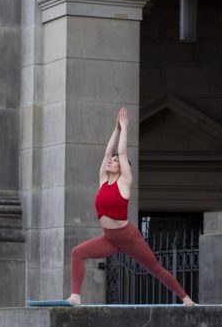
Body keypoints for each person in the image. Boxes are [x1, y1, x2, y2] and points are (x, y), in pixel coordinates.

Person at [67, 107, 195, 307]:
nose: (111, 161)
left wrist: (125, 128)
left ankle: (186, 298)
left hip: (128, 237)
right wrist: (116, 129)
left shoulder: (124, 182)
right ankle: (75, 296)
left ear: (123, 168)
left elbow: (121, 151)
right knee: (77, 252)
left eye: (116, 162)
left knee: (154, 268)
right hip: (109, 239)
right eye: (112, 160)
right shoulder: (103, 181)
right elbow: (108, 152)